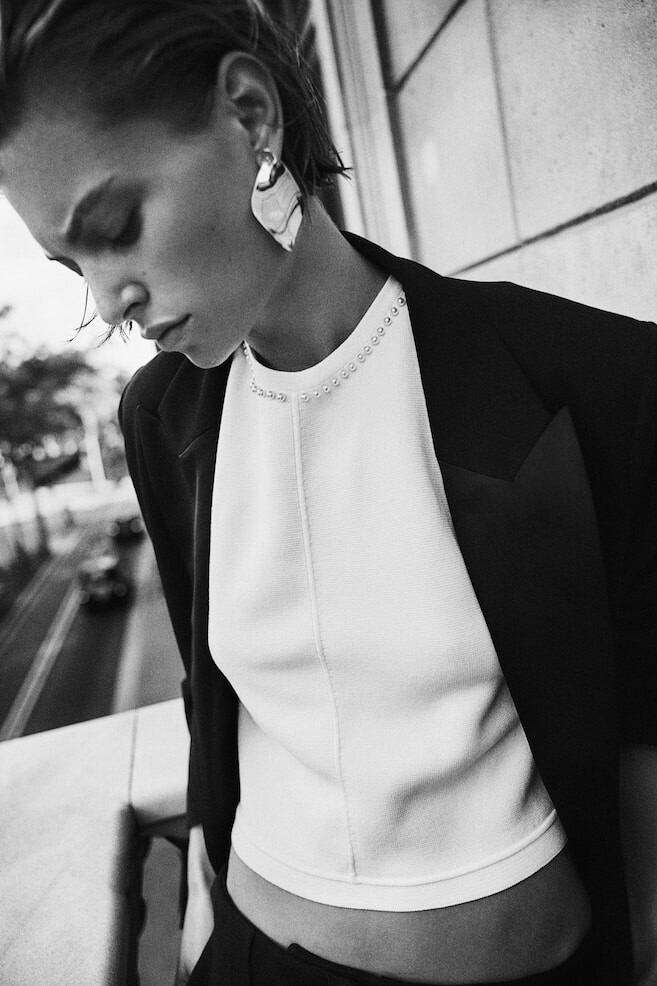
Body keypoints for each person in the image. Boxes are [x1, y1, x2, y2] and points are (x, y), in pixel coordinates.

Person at [1, 1, 656, 983]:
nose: (107, 300)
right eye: (72, 262)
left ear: (250, 114)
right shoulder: (159, 419)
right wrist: (202, 913)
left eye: (116, 228)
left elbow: (645, 726)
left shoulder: (596, 377)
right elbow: (213, 701)